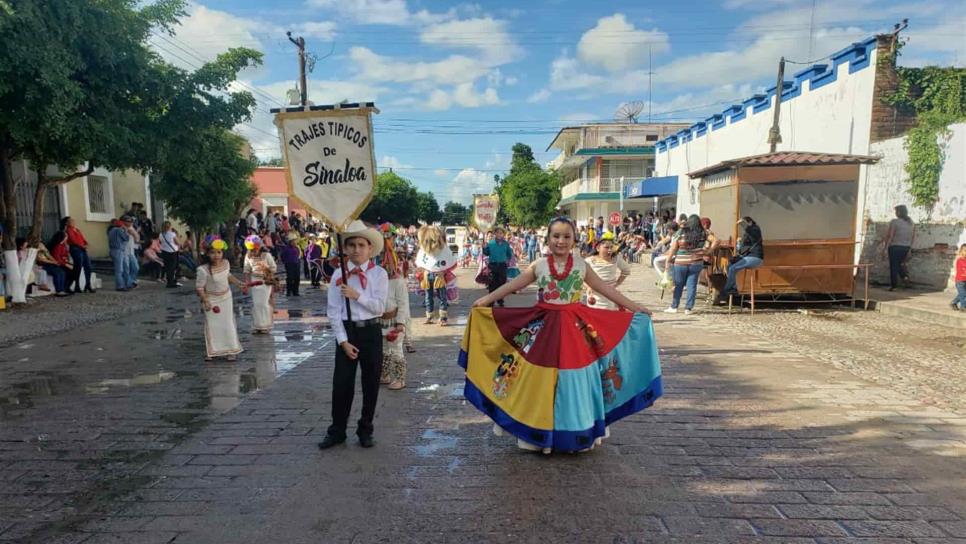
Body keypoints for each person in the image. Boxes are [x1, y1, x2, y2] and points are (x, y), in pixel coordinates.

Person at [465, 216, 660, 454]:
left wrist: (634, 307)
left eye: (567, 236)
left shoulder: (581, 265)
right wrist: (488, 299)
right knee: (536, 377)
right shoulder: (539, 265)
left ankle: (576, 431)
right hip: (544, 328)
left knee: (577, 377)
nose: (561, 241)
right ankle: (536, 434)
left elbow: (604, 289)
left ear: (574, 239)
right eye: (556, 236)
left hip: (575, 329)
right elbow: (514, 284)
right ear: (547, 239)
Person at [318, 221, 388, 450]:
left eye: (361, 245)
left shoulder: (379, 274)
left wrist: (356, 295)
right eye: (352, 245)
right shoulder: (340, 274)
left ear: (369, 248)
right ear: (345, 249)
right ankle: (337, 430)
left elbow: (379, 308)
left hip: (371, 331)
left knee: (371, 383)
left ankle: (365, 429)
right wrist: (343, 341)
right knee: (342, 384)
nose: (356, 249)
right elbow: (333, 311)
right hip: (348, 333)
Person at [196, 239, 246, 362]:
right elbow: (199, 287)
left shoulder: (226, 263)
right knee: (213, 326)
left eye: (219, 252)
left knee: (228, 323)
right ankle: (213, 351)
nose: (216, 256)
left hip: (226, 298)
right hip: (211, 300)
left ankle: (230, 350)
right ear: (207, 254)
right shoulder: (203, 270)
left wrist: (239, 283)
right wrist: (205, 300)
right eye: (213, 253)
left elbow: (228, 276)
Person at [378, 227, 411, 391]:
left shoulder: (397, 281)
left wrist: (400, 323)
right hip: (380, 319)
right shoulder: (377, 280)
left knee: (396, 349)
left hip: (394, 319)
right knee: (384, 350)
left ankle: (400, 378)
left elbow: (403, 303)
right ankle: (384, 374)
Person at [664, 214, 708, 315]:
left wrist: (668, 261)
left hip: (681, 263)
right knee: (692, 285)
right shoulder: (703, 233)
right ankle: (688, 308)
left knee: (678, 284)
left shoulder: (681, 232)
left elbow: (674, 248)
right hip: (696, 263)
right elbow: (716, 241)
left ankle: (674, 306)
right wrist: (708, 251)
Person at [415, 224, 457, 326]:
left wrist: (444, 271)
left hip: (439, 276)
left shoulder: (444, 249)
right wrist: (422, 270)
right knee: (428, 297)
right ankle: (429, 316)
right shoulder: (423, 250)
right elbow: (419, 262)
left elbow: (452, 262)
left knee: (442, 297)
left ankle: (443, 317)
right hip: (427, 275)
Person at [586, 231, 631, 310]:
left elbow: (626, 270)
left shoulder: (616, 259)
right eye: (606, 247)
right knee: (594, 317)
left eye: (611, 247)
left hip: (610, 294)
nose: (609, 250)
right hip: (594, 295)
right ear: (598, 248)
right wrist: (588, 286)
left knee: (608, 316)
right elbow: (581, 275)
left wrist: (617, 283)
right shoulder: (589, 260)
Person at [243, 235, 277, 334]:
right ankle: (257, 325)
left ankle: (266, 325)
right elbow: (246, 270)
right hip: (254, 281)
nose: (254, 252)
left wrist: (265, 268)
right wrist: (246, 283)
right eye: (252, 250)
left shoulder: (266, 255)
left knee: (263, 303)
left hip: (265, 281)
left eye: (255, 249)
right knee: (257, 304)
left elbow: (273, 268)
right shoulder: (248, 256)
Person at [723, 216, 764, 297]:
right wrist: (739, 243)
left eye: (746, 224)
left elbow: (752, 233)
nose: (745, 227)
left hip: (755, 257)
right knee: (729, 266)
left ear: (750, 222)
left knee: (732, 268)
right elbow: (742, 248)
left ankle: (727, 290)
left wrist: (743, 224)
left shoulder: (755, 229)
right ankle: (733, 288)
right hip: (747, 257)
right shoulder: (748, 233)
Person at [883, 205, 916, 291]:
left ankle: (894, 286)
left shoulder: (895, 222)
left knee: (894, 266)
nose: (895, 213)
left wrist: (885, 248)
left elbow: (890, 235)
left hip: (895, 247)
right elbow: (912, 237)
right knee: (899, 264)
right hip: (906, 248)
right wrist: (909, 249)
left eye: (896, 211)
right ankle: (904, 277)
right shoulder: (911, 223)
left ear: (899, 212)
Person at [483, 226, 513, 307]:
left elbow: (509, 254)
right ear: (495, 233)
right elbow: (486, 253)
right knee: (492, 284)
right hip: (493, 266)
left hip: (502, 266)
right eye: (497, 232)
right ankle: (490, 301)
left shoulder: (506, 244)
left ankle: (500, 300)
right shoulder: (491, 243)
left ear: (503, 234)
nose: (499, 234)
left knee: (501, 284)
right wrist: (484, 248)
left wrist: (506, 260)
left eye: (501, 233)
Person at [62, 217, 94, 293]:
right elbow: (73, 240)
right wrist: (82, 245)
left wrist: (86, 243)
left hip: (82, 249)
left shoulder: (77, 230)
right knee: (78, 267)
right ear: (67, 223)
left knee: (88, 266)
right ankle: (77, 285)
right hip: (75, 249)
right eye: (71, 221)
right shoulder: (68, 230)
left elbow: (82, 239)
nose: (73, 222)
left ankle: (88, 284)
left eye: (73, 221)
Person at [108, 219, 132, 292]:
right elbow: (126, 238)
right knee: (120, 270)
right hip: (118, 250)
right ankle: (120, 286)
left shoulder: (110, 231)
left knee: (121, 268)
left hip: (113, 250)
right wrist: (126, 231)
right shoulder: (119, 230)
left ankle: (125, 284)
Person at [159, 221, 180, 288]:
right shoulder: (172, 234)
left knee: (167, 267)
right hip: (172, 252)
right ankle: (172, 282)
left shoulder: (161, 234)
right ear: (169, 226)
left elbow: (161, 242)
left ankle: (169, 281)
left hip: (164, 252)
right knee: (173, 267)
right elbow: (177, 242)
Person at [280, 232, 302, 297]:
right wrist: (286, 262)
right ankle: (289, 291)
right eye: (293, 241)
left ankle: (296, 291)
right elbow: (282, 256)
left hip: (296, 264)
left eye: (295, 241)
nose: (294, 242)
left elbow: (299, 255)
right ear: (290, 242)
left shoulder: (297, 248)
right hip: (289, 265)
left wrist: (298, 261)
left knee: (297, 278)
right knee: (290, 278)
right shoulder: (286, 248)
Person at [123, 216, 141, 288]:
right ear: (124, 222)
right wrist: (135, 233)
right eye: (128, 221)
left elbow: (137, 239)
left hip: (131, 251)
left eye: (131, 221)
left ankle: (132, 281)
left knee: (136, 267)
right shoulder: (122, 228)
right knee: (126, 268)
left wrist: (135, 233)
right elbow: (136, 237)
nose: (130, 223)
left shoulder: (131, 228)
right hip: (124, 251)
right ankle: (128, 284)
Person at [951, 244, 966, 312]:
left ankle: (954, 302)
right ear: (961, 252)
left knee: (962, 294)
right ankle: (963, 307)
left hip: (965, 281)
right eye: (965, 251)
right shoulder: (960, 260)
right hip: (960, 281)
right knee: (964, 294)